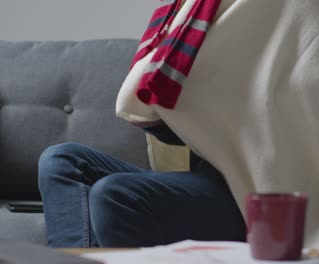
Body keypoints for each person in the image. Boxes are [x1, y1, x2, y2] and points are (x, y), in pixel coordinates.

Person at [38, 0, 244, 248]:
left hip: (245, 190)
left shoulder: (259, 23)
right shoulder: (196, 24)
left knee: (113, 193)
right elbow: (178, 132)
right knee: (60, 159)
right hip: (204, 177)